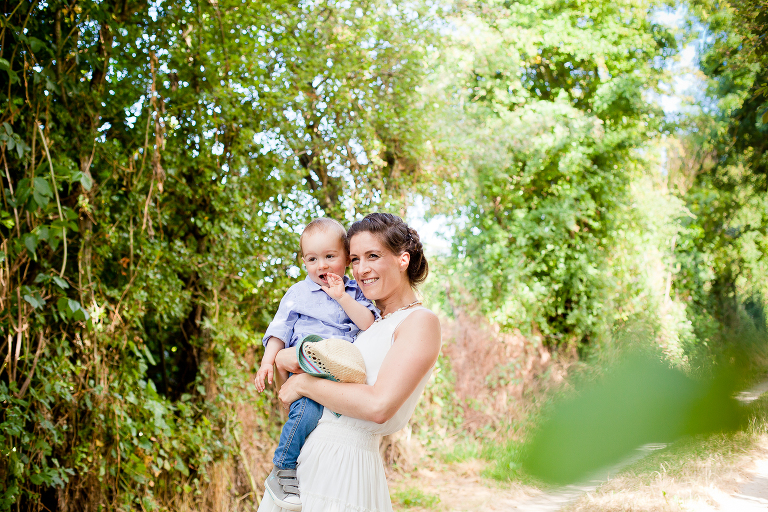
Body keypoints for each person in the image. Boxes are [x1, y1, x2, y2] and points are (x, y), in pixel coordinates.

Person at [258, 212, 442, 512]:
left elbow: (378, 406)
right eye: (355, 259)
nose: (361, 269)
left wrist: (304, 381)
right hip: (308, 458)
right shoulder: (366, 325)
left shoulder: (419, 321)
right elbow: (288, 393)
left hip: (345, 465)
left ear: (403, 260)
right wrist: (283, 360)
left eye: (373, 256)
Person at [255, 217, 378, 510]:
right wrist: (266, 363)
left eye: (329, 256)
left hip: (341, 369)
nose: (321, 265)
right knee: (306, 413)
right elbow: (279, 330)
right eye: (312, 259)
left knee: (331, 421)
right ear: (303, 261)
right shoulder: (298, 293)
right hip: (307, 361)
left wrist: (341, 298)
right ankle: (282, 468)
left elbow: (367, 322)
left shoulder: (355, 292)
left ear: (347, 258)